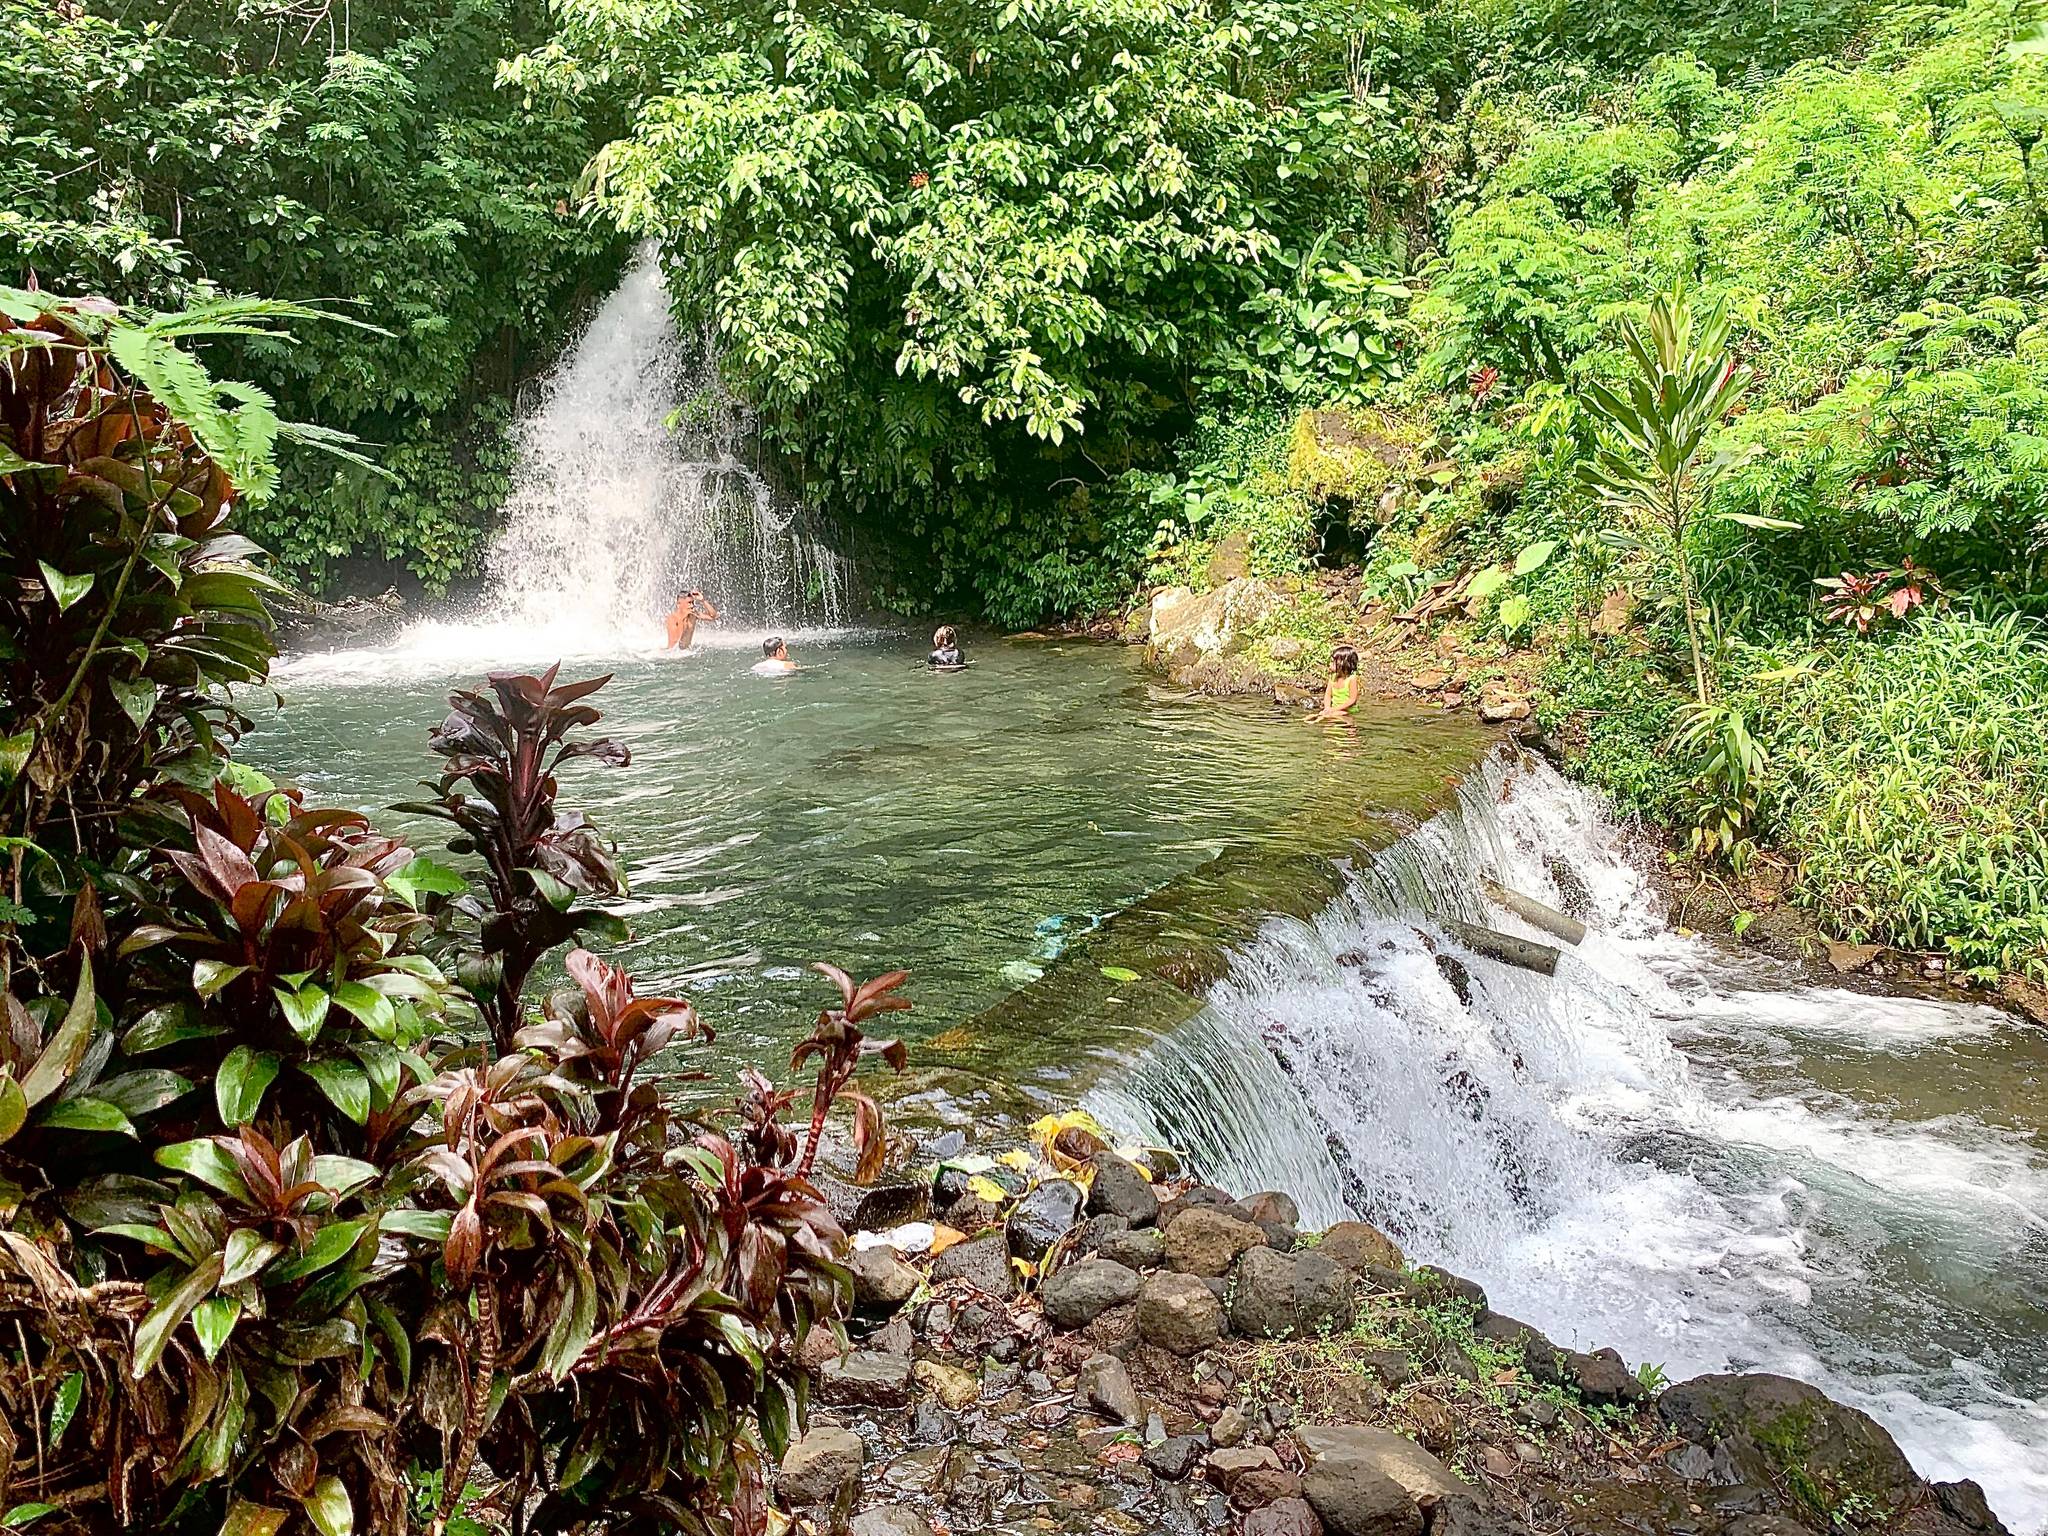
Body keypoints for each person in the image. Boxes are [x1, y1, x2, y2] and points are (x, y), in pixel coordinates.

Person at [1311, 642, 1363, 722]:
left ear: (1342, 663)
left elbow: (1352, 700)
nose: (1330, 664)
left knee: (1328, 716)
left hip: (1348, 711)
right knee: (1322, 714)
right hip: (1334, 710)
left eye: (1333, 662)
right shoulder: (1332, 677)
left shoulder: (1351, 679)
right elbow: (1327, 695)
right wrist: (1327, 708)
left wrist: (1334, 709)